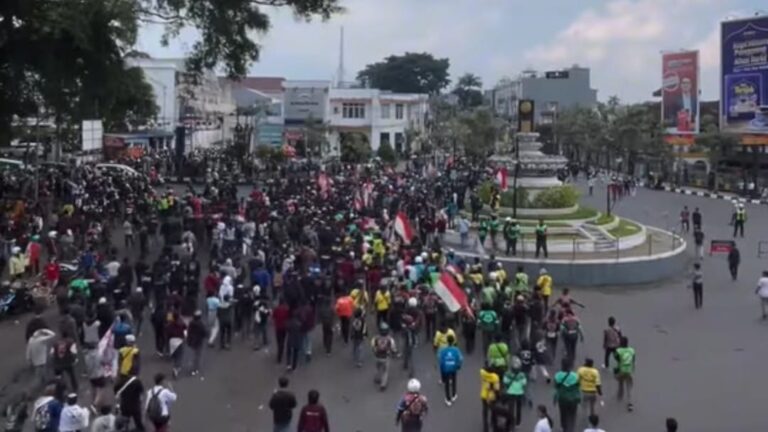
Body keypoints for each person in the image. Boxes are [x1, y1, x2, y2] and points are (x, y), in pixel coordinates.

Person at [553, 358, 580, 432]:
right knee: (572, 414)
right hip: (573, 398)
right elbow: (578, 386)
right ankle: (571, 428)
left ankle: (563, 427)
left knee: (563, 413)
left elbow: (556, 386)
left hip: (562, 398)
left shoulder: (558, 375)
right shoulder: (575, 376)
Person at [437, 334, 463, 406]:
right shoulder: (456, 349)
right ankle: (454, 395)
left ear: (447, 341)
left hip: (446, 368)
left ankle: (448, 399)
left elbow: (440, 360)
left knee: (447, 384)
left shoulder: (443, 350)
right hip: (454, 367)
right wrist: (459, 365)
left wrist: (442, 368)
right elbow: (460, 358)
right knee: (454, 380)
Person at [502, 357, 527, 427]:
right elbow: (524, 383)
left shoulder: (507, 373)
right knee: (518, 408)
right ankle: (518, 422)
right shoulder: (522, 375)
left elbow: (505, 382)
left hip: (510, 392)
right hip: (519, 393)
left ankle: (510, 421)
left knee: (511, 408)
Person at [371, 323, 397, 391]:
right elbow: (393, 348)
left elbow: (373, 346)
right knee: (385, 371)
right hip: (386, 357)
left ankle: (377, 378)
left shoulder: (375, 338)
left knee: (377, 368)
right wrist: (394, 353)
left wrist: (375, 352)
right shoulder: (390, 339)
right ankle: (383, 384)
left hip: (377, 356)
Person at [614, 336, 636, 412]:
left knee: (620, 382)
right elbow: (633, 359)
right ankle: (630, 404)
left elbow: (616, 359)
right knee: (629, 387)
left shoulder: (618, 350)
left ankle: (620, 395)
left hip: (621, 370)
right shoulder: (632, 350)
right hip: (629, 370)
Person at [479, 362, 500, 432]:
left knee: (485, 412)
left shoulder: (483, 374)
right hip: (492, 396)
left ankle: (485, 428)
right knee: (494, 411)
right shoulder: (495, 377)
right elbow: (496, 389)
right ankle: (493, 425)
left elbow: (482, 369)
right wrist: (498, 396)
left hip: (484, 395)